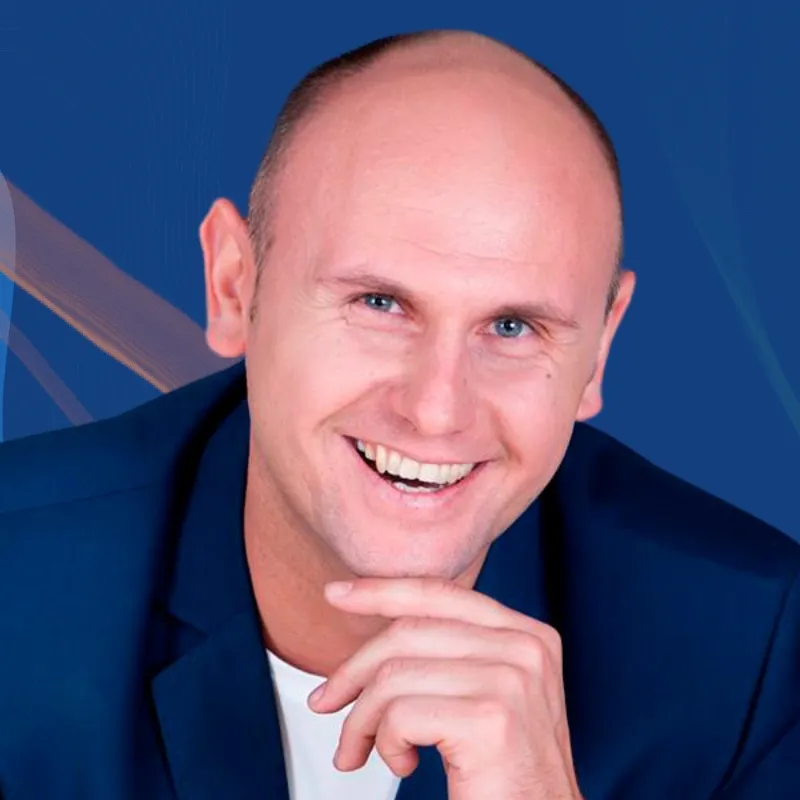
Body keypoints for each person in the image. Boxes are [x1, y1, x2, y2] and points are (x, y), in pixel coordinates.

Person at [0, 28, 798, 800]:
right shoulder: (16, 575)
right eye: (378, 303)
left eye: (512, 326)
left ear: (598, 350)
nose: (435, 409)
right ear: (234, 286)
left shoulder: (750, 651)